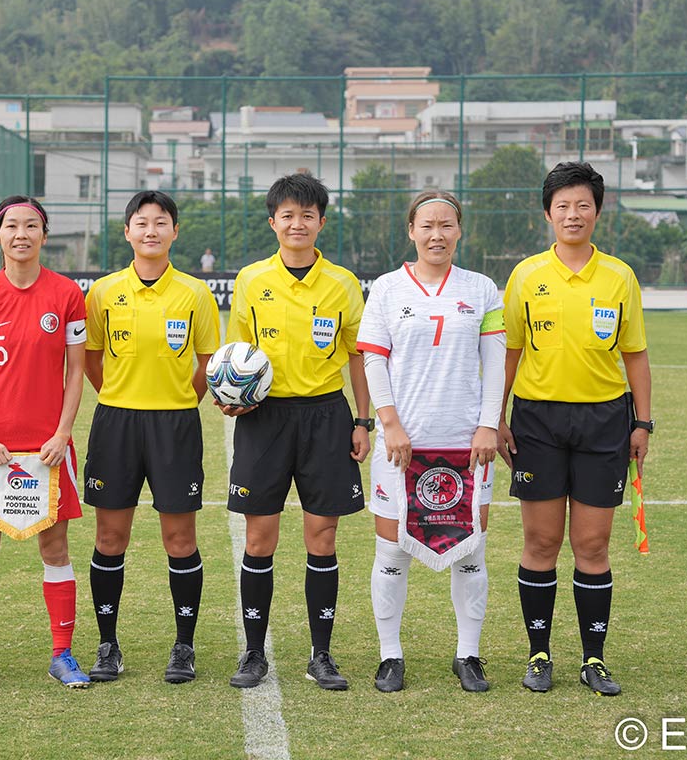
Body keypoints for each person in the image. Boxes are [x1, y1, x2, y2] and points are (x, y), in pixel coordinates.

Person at [497, 161, 652, 696]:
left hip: (605, 420)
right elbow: (509, 352)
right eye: (562, 205)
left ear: (597, 212)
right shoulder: (525, 275)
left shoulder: (619, 276)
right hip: (537, 420)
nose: (572, 214)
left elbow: (635, 355)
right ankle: (539, 654)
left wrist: (642, 423)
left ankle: (593, 659)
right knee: (541, 541)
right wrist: (497, 418)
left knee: (593, 542)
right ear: (547, 214)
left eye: (582, 205)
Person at [220, 173, 371, 691]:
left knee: (322, 536)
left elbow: (359, 357)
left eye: (307, 215)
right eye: (287, 215)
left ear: (321, 222)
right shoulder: (251, 280)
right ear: (273, 222)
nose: (297, 224)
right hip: (263, 418)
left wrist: (363, 420)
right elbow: (236, 354)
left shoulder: (343, 283)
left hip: (326, 417)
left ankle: (320, 655)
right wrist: (230, 394)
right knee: (259, 538)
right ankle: (253, 653)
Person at [356, 190, 505, 693]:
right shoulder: (386, 288)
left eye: (446, 225)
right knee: (391, 551)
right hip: (401, 446)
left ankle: (468, 654)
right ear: (411, 231)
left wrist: (488, 425)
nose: (437, 234)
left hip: (467, 445)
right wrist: (390, 423)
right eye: (427, 225)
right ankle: (390, 656)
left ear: (459, 230)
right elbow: (373, 359)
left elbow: (495, 364)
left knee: (470, 551)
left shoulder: (482, 289)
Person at [0, 195, 91, 691]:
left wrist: (62, 433)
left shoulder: (67, 294)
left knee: (56, 547)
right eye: (11, 226)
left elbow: (76, 371)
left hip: (48, 448)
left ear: (44, 235)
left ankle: (62, 654)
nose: (21, 234)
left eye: (32, 225)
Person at [83, 191, 220, 683]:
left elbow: (208, 362)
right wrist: (120, 396)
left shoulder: (195, 293)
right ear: (127, 232)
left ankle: (184, 647)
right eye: (141, 223)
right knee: (109, 537)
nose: (151, 231)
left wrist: (179, 402)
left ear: (175, 232)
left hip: (175, 425)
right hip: (116, 423)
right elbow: (91, 359)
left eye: (161, 222)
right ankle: (107, 645)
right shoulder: (103, 292)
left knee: (180, 539)